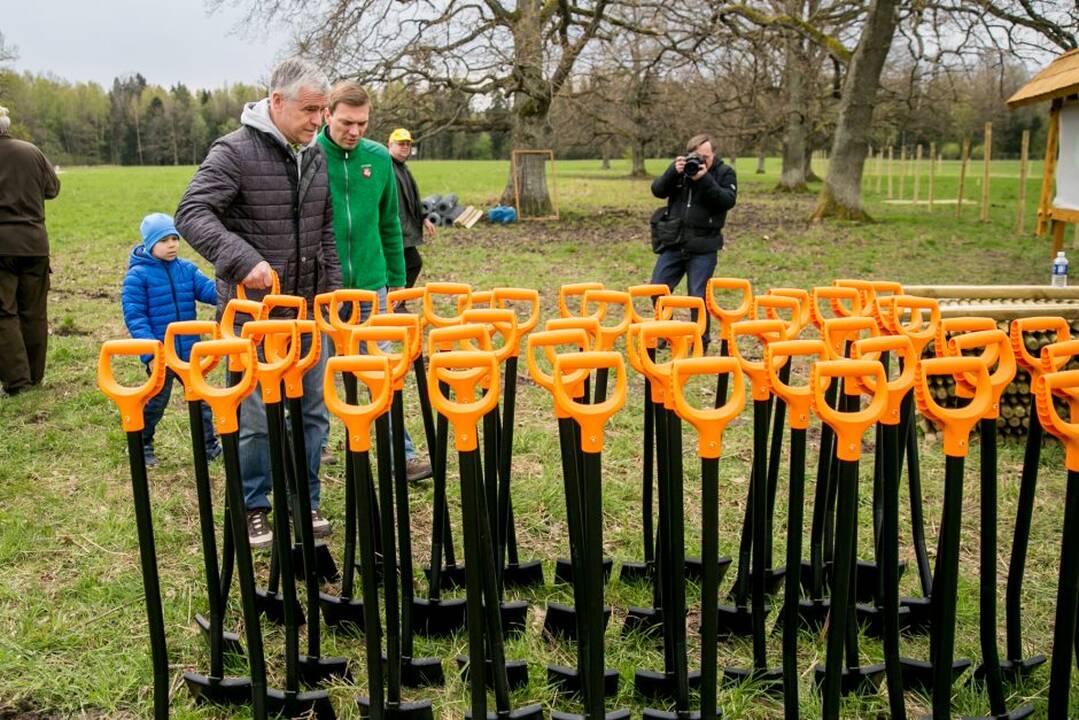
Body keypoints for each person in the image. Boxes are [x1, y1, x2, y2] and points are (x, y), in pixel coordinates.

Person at [175, 57, 342, 549]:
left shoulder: (314, 155)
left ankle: (304, 502)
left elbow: (325, 229)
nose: (318, 121)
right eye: (310, 110)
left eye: (323, 110)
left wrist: (330, 293)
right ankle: (254, 507)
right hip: (255, 316)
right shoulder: (234, 151)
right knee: (256, 419)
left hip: (308, 313)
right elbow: (191, 211)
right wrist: (241, 259)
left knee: (313, 413)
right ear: (277, 102)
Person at [317, 82, 432, 482]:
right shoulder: (309, 156)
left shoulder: (378, 159)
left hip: (371, 286)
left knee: (382, 369)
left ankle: (402, 455)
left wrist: (397, 281)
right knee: (317, 372)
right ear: (328, 115)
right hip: (323, 290)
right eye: (347, 122)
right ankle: (316, 449)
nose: (354, 131)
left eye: (362, 123)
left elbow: (389, 223)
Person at [121, 213, 220, 467]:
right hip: (161, 355)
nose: (172, 244)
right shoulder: (138, 276)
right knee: (156, 401)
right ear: (149, 244)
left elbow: (209, 291)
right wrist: (151, 354)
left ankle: (209, 447)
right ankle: (141, 444)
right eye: (164, 240)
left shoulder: (186, 269)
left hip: (189, 351)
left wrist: (227, 286)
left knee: (201, 402)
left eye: (175, 238)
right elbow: (135, 317)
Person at [648, 133, 737, 350]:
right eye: (697, 157)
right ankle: (665, 332)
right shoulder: (681, 170)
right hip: (675, 242)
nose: (701, 162)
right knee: (657, 289)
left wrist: (704, 178)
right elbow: (657, 190)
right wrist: (672, 171)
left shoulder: (725, 173)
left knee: (698, 297)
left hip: (704, 245)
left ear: (713, 154)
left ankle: (700, 341)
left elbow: (727, 200)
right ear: (689, 155)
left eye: (706, 157)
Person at [0, 105, 61, 397]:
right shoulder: (31, 152)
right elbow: (53, 189)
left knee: (4, 314)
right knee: (34, 312)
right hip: (35, 243)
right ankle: (35, 377)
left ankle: (18, 382)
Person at [387, 128, 436, 289]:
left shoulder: (402, 168)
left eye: (407, 144)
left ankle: (395, 303)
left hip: (404, 230)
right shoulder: (387, 168)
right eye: (401, 143)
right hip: (394, 231)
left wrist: (423, 217)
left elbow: (411, 198)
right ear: (390, 145)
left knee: (410, 265)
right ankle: (393, 303)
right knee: (407, 265)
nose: (405, 147)